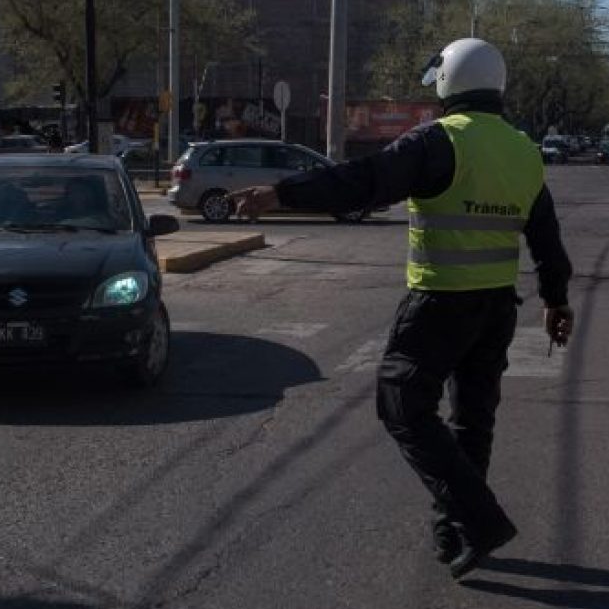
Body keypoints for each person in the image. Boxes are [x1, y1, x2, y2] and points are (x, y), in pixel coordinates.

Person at [228, 38, 574, 579]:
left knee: (399, 402)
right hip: (496, 308)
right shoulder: (524, 151)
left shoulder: (440, 141)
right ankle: (454, 530)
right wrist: (557, 299)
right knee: (471, 422)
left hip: (441, 301)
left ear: (448, 82)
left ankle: (479, 519)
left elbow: (365, 181)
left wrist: (284, 192)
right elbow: (547, 238)